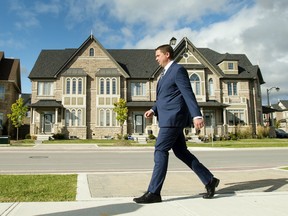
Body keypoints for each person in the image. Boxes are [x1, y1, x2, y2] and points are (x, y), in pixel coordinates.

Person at [133, 44, 219, 204]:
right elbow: (165, 97)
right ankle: (209, 180)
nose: (156, 58)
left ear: (167, 54)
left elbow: (188, 93)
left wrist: (196, 115)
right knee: (181, 152)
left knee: (160, 150)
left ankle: (154, 192)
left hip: (173, 118)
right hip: (167, 118)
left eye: (158, 55)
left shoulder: (178, 70)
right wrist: (153, 109)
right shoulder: (164, 74)